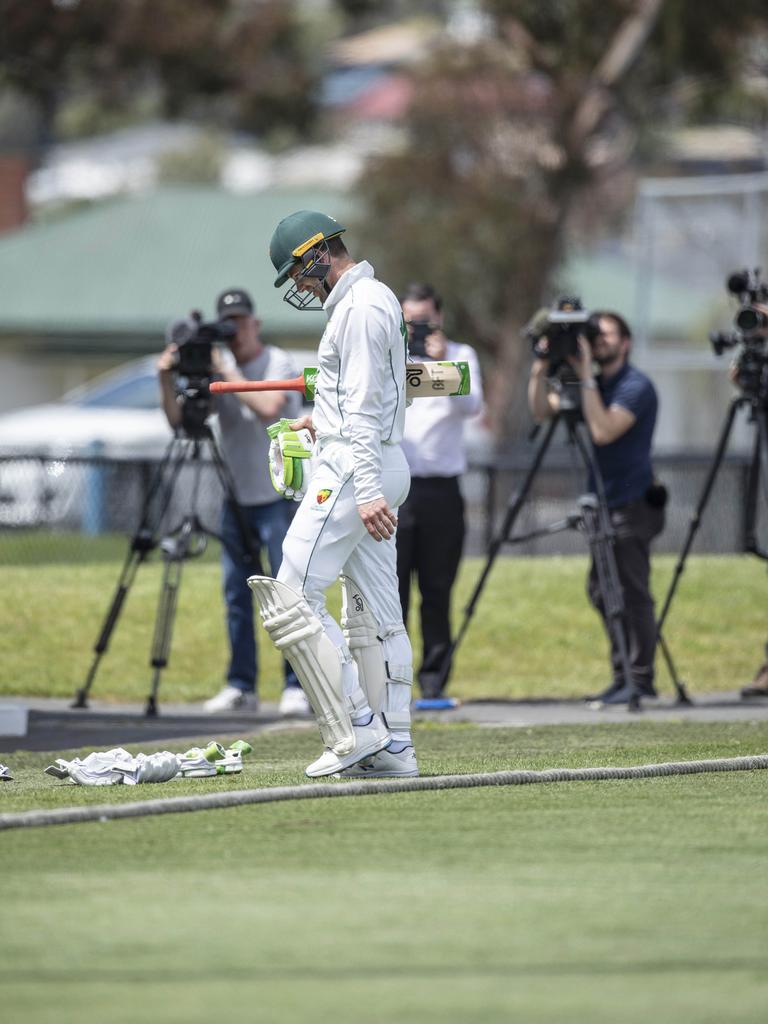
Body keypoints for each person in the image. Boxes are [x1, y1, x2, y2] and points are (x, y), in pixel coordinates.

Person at [247, 209, 416, 778]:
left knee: (291, 595)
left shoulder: (362, 305)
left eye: (296, 271)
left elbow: (366, 410)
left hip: (355, 469)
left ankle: (356, 728)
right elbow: (373, 397)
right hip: (369, 460)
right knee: (374, 613)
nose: (296, 285)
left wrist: (364, 488)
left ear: (319, 254)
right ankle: (396, 749)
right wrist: (319, 423)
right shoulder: (364, 302)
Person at [157, 287, 310, 716]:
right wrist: (165, 378)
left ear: (255, 324)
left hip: (279, 498)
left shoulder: (275, 362)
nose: (235, 331)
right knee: (236, 596)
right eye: (228, 325)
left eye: (240, 323)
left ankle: (297, 684)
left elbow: (270, 407)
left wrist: (226, 371)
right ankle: (241, 683)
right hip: (236, 498)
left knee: (287, 593)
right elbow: (181, 424)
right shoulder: (216, 369)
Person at [528, 311, 666, 706]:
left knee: (631, 591)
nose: (598, 342)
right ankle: (623, 674)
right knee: (603, 590)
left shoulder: (636, 387)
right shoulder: (592, 384)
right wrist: (540, 368)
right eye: (593, 335)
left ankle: (640, 680)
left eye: (605, 335)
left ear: (626, 342)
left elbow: (604, 431)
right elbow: (541, 410)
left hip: (632, 502)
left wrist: (585, 374)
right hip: (603, 502)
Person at [397, 283, 484, 699]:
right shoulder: (388, 355)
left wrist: (441, 359)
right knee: (390, 591)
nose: (416, 329)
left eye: (424, 321)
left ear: (440, 318)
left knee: (436, 590)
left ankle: (433, 683)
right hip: (396, 490)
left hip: (441, 491)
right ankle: (390, 682)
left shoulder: (460, 355)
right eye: (410, 321)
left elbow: (472, 407)